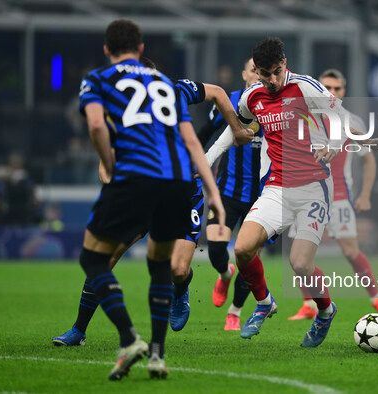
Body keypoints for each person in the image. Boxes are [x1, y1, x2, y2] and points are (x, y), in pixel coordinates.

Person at [52, 57, 252, 346]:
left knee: (178, 270)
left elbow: (219, 93)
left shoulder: (178, 89)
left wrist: (236, 129)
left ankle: (181, 292)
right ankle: (79, 331)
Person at [71, 19, 226, 380]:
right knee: (159, 265)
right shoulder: (165, 85)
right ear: (141, 50)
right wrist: (213, 193)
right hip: (177, 182)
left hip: (135, 179)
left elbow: (96, 126)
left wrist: (109, 163)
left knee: (93, 258)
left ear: (107, 51)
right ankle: (157, 355)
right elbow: (190, 141)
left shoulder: (98, 79)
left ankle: (129, 338)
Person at [232, 37, 349, 347]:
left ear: (285, 64)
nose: (272, 80)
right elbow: (244, 125)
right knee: (242, 249)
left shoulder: (305, 87)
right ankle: (265, 302)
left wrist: (333, 145)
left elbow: (340, 115)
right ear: (254, 70)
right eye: (265, 74)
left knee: (300, 264)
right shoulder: (251, 97)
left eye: (277, 71)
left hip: (314, 186)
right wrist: (241, 136)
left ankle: (325, 311)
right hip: (278, 186)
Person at [288, 69, 378, 321]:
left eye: (337, 89)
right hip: (307, 193)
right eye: (327, 87)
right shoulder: (306, 117)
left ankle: (377, 297)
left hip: (338, 195)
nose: (332, 92)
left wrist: (365, 194)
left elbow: (369, 159)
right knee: (301, 254)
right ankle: (308, 304)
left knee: (350, 251)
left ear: (343, 92)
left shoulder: (351, 121)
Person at [198, 55, 262, 331]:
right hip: (226, 193)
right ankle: (224, 273)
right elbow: (205, 131)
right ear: (244, 75)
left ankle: (235, 311)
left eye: (264, 72)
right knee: (215, 249)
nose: (258, 76)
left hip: (261, 197)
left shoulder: (277, 105)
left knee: (248, 255)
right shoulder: (231, 100)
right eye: (254, 71)